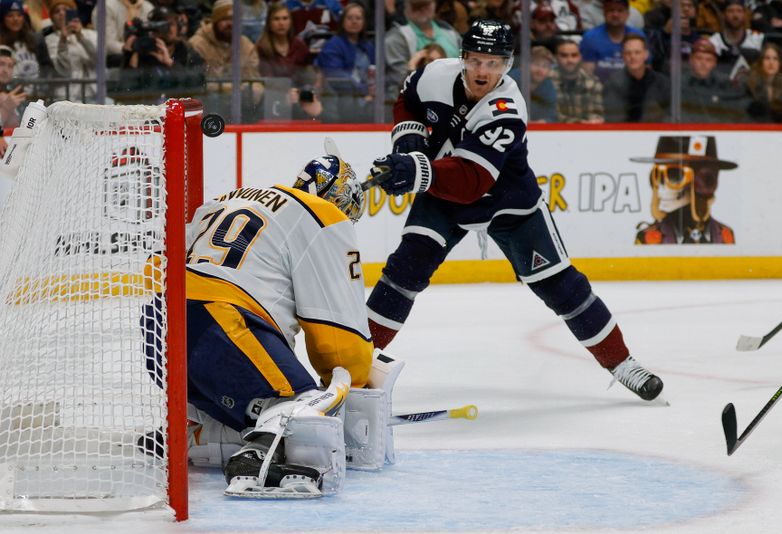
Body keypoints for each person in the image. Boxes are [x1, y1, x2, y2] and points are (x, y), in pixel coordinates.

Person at [365, 20, 664, 402]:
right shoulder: (434, 75)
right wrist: (410, 143)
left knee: (561, 286)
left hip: (508, 203)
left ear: (506, 65)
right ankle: (357, 363)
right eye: (475, 60)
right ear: (463, 59)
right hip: (442, 195)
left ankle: (622, 363)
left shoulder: (507, 108)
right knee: (403, 273)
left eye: (493, 63)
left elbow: (473, 179)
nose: (482, 71)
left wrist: (416, 170)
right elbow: (408, 99)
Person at [142, 148, 380, 497]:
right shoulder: (323, 216)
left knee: (255, 398)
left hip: (157, 329)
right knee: (299, 403)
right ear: (341, 200)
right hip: (221, 325)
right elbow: (338, 337)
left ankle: (196, 432)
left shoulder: (232, 198)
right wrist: (348, 387)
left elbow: (158, 263)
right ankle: (257, 457)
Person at [632, 135, 737, 244]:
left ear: (703, 182)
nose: (661, 188)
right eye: (657, 175)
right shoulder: (646, 238)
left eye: (674, 175)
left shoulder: (726, 235)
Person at [385, 0, 461, 101]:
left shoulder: (451, 34)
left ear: (434, 5)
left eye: (426, 5)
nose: (421, 9)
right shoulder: (395, 38)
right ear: (405, 8)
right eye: (416, 6)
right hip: (414, 103)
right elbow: (399, 83)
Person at [316, 2, 376, 122]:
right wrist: (365, 92)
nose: (354, 21)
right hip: (341, 100)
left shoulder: (369, 46)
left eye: (358, 18)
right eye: (349, 18)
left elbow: (376, 71)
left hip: (367, 99)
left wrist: (374, 91)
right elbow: (337, 78)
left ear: (364, 22)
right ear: (342, 21)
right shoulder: (332, 45)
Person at [603, 33, 670, 121]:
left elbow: (671, 114)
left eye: (637, 52)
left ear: (646, 55)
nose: (632, 57)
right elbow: (613, 118)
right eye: (628, 53)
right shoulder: (613, 84)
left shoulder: (662, 82)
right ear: (623, 56)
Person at [681, 37, 747, 121]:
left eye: (708, 60)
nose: (703, 63)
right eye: (699, 58)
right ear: (691, 60)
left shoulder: (725, 83)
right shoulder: (679, 83)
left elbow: (733, 113)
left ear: (714, 63)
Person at [579, 0, 646, 83]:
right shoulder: (590, 38)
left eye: (620, 10)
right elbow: (587, 75)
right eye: (611, 10)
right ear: (604, 13)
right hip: (600, 90)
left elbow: (645, 72)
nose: (615, 14)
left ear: (627, 14)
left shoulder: (638, 36)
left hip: (633, 88)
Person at [44, 0, 97, 101]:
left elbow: (98, 61)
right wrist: (63, 41)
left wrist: (81, 37)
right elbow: (63, 70)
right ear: (52, 19)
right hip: (66, 97)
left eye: (65, 9)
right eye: (57, 11)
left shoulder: (91, 35)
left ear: (74, 13)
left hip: (93, 95)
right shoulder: (49, 40)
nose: (61, 13)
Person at [551, 38, 605, 122]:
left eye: (574, 55)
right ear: (556, 57)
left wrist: (595, 120)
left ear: (580, 57)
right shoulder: (547, 82)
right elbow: (551, 115)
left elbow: (599, 112)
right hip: (553, 133)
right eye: (564, 55)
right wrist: (579, 123)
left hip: (589, 132)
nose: (570, 60)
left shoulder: (593, 83)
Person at [744, 42, 782, 122]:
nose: (771, 63)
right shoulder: (749, 84)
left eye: (775, 59)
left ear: (780, 63)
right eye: (767, 58)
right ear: (761, 62)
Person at [708, 0, 764, 79]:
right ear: (724, 15)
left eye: (739, 11)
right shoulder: (714, 41)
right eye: (731, 11)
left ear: (745, 14)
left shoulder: (756, 38)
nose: (735, 15)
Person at [92, 0, 154, 66]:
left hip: (143, 53)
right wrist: (132, 50)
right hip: (115, 56)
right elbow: (107, 44)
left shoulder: (148, 7)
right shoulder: (105, 7)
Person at [529, 45, 558, 122]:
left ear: (549, 70)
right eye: (536, 64)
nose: (540, 70)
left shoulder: (548, 86)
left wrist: (544, 121)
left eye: (545, 66)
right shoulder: (513, 81)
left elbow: (552, 116)